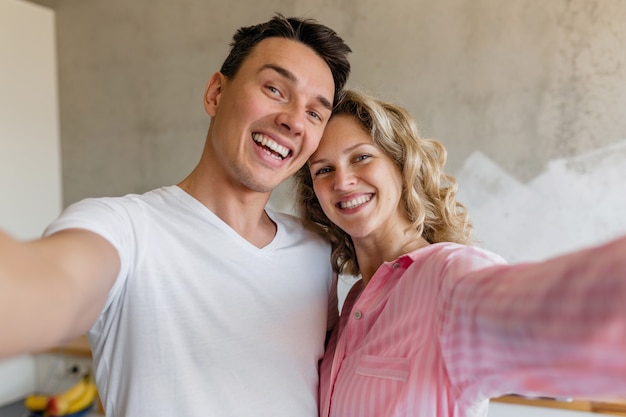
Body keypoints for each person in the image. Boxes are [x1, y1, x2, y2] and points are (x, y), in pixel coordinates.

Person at [0, 14, 351, 417]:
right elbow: (52, 283)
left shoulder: (317, 251)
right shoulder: (124, 229)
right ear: (216, 94)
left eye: (315, 113)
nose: (292, 120)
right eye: (275, 89)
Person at [294, 89, 626, 417]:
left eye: (360, 157)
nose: (343, 180)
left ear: (401, 164)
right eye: (323, 170)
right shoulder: (349, 307)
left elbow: (565, 316)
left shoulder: (450, 276)